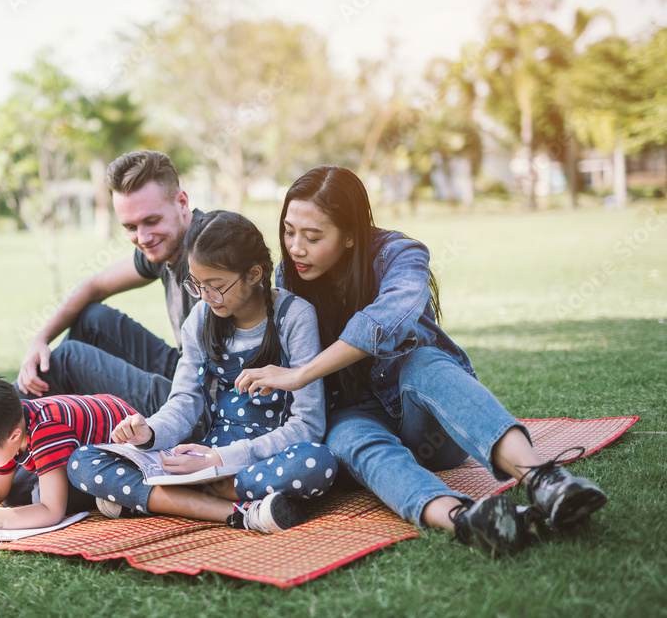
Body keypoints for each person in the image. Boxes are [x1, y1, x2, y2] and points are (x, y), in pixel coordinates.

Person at [235, 165, 607, 554]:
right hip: (356, 417)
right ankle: (467, 519)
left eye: (312, 236)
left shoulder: (400, 255)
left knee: (423, 362)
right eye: (289, 231)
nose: (296, 247)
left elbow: (380, 323)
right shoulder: (288, 278)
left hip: (430, 424)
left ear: (349, 237)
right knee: (344, 435)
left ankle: (544, 480)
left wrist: (299, 375)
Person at [0, 151, 206, 493]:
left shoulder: (210, 244)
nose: (142, 236)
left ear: (182, 201)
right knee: (90, 319)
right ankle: (22, 442)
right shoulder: (167, 244)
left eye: (151, 221)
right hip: (182, 369)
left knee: (66, 359)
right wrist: (40, 340)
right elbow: (93, 286)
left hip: (197, 400)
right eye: (130, 226)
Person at [68, 211, 337, 534]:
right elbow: (184, 401)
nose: (206, 297)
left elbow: (308, 424)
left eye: (216, 286)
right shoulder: (200, 318)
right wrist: (148, 433)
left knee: (316, 463)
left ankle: (172, 499)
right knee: (83, 461)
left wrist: (221, 460)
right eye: (196, 285)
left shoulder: (295, 317)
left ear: (253, 274)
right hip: (202, 455)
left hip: (263, 457)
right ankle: (236, 510)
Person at [0, 373, 137, 538]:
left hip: (127, 456)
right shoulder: (9, 424)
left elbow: (51, 512)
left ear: (13, 437)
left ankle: (117, 498)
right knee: (14, 492)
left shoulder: (47, 430)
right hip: (76, 446)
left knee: (38, 500)